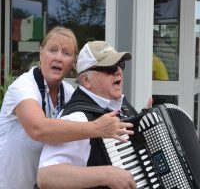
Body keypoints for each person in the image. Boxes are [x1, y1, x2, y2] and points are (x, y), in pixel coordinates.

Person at [0, 28, 134, 189]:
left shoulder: (69, 92)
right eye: (52, 50)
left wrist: (138, 121)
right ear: (41, 53)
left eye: (66, 53)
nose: (58, 57)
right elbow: (38, 129)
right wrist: (97, 128)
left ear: (74, 63)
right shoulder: (23, 87)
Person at [37, 41, 145, 189]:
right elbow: (46, 176)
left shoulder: (119, 103)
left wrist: (146, 127)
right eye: (109, 68)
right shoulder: (78, 117)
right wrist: (107, 175)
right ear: (86, 80)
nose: (118, 71)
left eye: (120, 65)